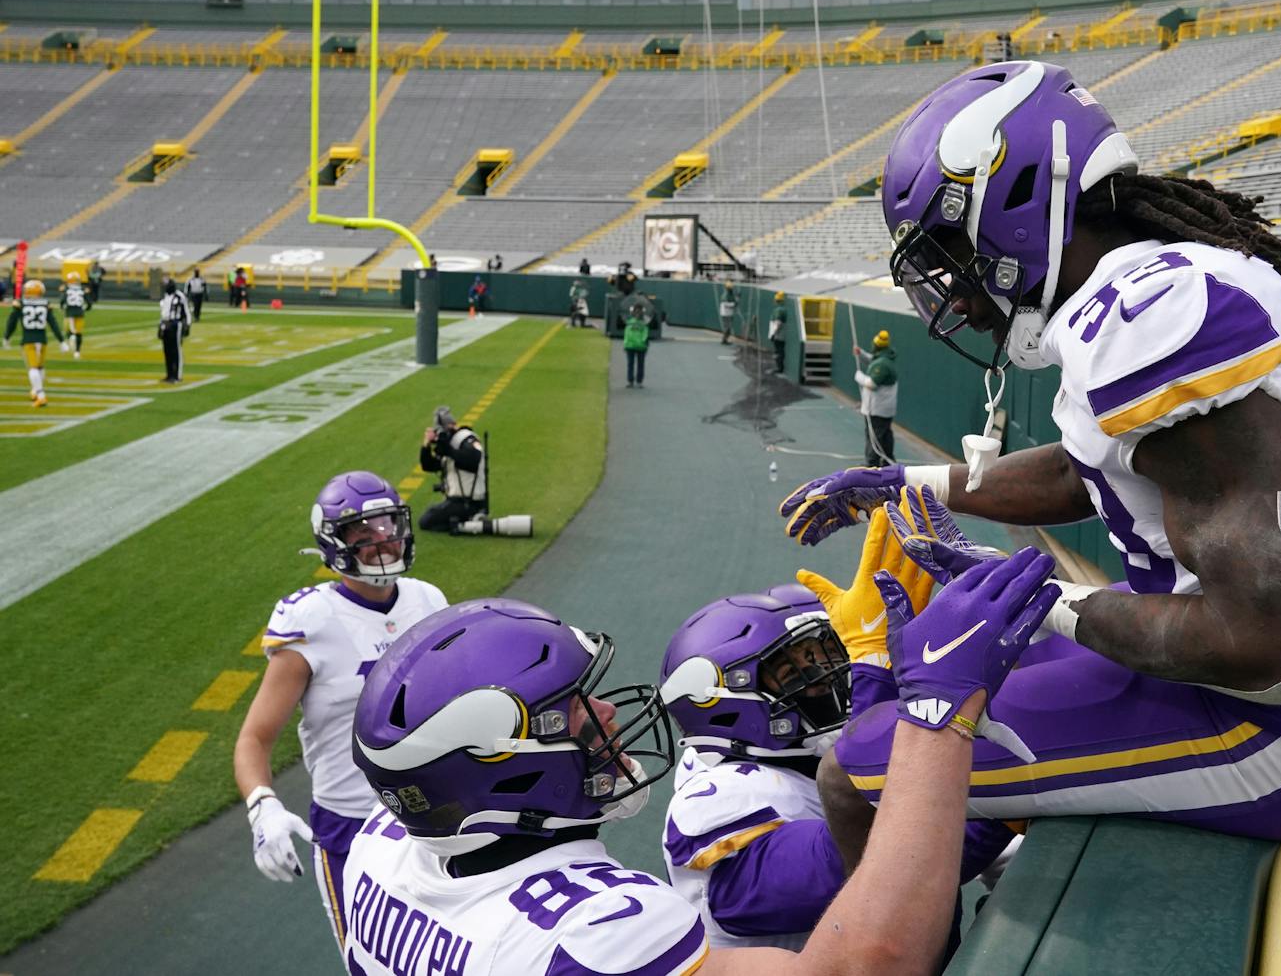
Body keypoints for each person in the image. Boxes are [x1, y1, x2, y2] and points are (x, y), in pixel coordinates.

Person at [781, 59, 1281, 858]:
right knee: (937, 676)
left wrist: (1042, 599)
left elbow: (1264, 647)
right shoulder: (1166, 279)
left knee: (854, 770)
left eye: (953, 255)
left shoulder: (1147, 325)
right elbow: (1094, 467)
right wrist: (907, 481)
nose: (959, 298)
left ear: (1012, 211)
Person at [343, 553, 1061, 976]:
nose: (610, 716)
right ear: (501, 764)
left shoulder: (378, 845)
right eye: (573, 710)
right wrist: (940, 717)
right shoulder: (595, 929)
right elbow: (868, 961)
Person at [657, 509, 937, 951]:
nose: (831, 678)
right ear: (728, 706)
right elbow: (879, 866)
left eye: (827, 657)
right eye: (793, 672)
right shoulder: (721, 801)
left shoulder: (803, 762)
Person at [233, 471, 449, 958]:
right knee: (372, 962)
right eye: (363, 532)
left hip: (435, 815)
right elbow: (255, 738)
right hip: (351, 824)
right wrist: (262, 806)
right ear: (334, 543)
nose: (382, 540)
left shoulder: (428, 599)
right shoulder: (310, 620)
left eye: (389, 525)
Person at [418, 405, 489, 534]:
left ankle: (462, 525)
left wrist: (448, 450)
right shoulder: (449, 444)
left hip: (469, 502)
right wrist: (426, 445)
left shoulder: (466, 438)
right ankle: (464, 523)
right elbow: (428, 466)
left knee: (426, 521)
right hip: (457, 502)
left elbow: (473, 460)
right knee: (429, 515)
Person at [4, 278, 65, 407]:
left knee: (32, 368)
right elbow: (53, 323)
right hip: (42, 340)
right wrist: (61, 340)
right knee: (40, 367)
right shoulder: (45, 303)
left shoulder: (20, 304)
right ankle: (35, 391)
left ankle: (41, 395)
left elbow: (12, 322)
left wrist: (7, 337)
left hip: (28, 340)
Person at [853, 329, 898, 466]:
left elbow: (871, 384)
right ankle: (887, 461)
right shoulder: (884, 359)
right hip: (884, 409)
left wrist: (858, 376)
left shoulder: (882, 364)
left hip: (877, 409)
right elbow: (872, 360)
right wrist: (860, 354)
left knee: (874, 436)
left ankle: (872, 464)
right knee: (885, 435)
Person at [157, 277, 192, 384]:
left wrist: (187, 325)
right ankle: (169, 374)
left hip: (176, 324)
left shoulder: (179, 295)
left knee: (176, 350)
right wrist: (160, 325)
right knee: (167, 350)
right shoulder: (165, 297)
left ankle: (177, 375)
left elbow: (186, 310)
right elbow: (164, 313)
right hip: (166, 324)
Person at [59, 269, 90, 359]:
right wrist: (86, 308)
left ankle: (71, 336)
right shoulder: (83, 289)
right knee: (79, 333)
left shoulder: (66, 289)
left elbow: (62, 300)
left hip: (69, 312)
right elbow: (89, 303)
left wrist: (61, 307)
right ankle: (77, 352)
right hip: (79, 312)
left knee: (68, 330)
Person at [623, 300, 650, 388]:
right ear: (633, 311)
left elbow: (645, 334)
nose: (638, 312)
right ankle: (631, 381)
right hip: (630, 346)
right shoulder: (629, 321)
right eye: (636, 310)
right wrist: (625, 344)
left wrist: (644, 342)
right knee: (630, 364)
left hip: (641, 346)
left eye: (639, 310)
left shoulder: (644, 323)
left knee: (640, 364)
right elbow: (627, 333)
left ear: (642, 312)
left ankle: (639, 381)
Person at [768, 290, 789, 374]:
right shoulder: (784, 308)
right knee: (780, 350)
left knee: (778, 351)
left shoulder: (779, 310)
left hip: (778, 334)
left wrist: (774, 333)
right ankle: (779, 367)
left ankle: (779, 368)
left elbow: (778, 323)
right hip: (782, 334)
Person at [718, 280, 738, 344]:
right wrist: (733, 304)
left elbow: (734, 301)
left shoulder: (731, 294)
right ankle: (724, 339)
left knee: (729, 327)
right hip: (725, 313)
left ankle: (725, 339)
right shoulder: (725, 294)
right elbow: (725, 304)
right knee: (727, 327)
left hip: (730, 313)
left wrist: (736, 301)